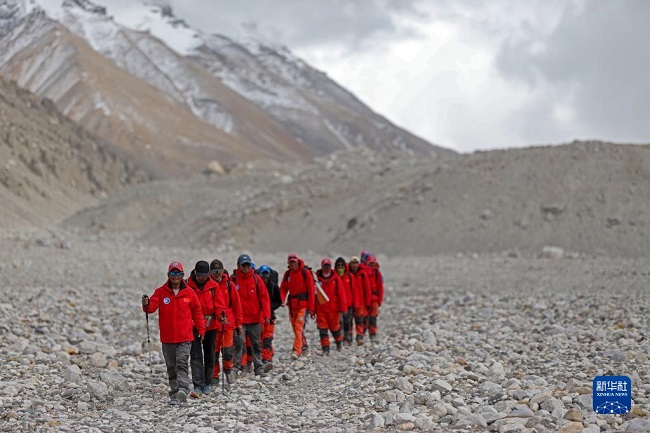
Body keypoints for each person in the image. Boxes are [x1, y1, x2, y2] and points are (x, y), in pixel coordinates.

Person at [142, 261, 205, 405]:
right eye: (172, 273)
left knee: (182, 362)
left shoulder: (189, 292)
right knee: (171, 366)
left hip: (185, 337)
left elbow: (197, 312)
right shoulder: (160, 292)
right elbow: (151, 308)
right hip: (168, 338)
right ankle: (174, 394)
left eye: (178, 273)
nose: (175, 276)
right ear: (168, 275)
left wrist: (201, 329)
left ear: (182, 275)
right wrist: (146, 303)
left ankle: (183, 389)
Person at [186, 260, 224, 396]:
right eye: (199, 275)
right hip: (194, 325)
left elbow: (219, 305)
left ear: (208, 274)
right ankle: (198, 385)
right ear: (195, 273)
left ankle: (207, 383)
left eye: (204, 275)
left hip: (211, 325)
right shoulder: (187, 285)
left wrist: (221, 316)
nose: (201, 278)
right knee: (195, 355)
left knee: (210, 355)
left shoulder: (214, 286)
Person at [231, 254, 271, 377]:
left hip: (254, 319)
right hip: (240, 320)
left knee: (256, 344)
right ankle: (237, 368)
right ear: (238, 266)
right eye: (244, 265)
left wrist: (266, 315)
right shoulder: (233, 280)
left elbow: (264, 298)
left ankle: (258, 368)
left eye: (248, 264)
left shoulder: (256, 279)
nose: (246, 267)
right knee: (239, 344)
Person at [209, 259, 242, 386]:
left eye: (219, 271)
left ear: (223, 271)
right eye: (214, 271)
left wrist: (239, 323)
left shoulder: (230, 285)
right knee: (214, 352)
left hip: (228, 323)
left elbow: (237, 306)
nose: (217, 273)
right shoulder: (209, 285)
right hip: (213, 324)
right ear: (210, 272)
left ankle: (228, 371)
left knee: (228, 350)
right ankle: (214, 375)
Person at [280, 253, 315, 359]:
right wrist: (282, 300)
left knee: (298, 327)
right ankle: (304, 346)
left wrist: (312, 308)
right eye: (291, 262)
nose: (293, 264)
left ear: (297, 261)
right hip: (292, 305)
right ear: (288, 263)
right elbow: (283, 288)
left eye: (294, 262)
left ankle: (297, 350)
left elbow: (311, 291)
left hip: (303, 305)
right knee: (296, 328)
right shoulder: (288, 274)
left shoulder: (306, 273)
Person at [314, 258, 347, 354]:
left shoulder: (336, 279)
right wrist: (312, 309)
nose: (326, 268)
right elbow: (313, 295)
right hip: (321, 309)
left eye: (328, 266)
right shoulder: (316, 279)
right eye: (325, 266)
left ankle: (339, 343)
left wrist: (343, 308)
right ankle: (325, 349)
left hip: (333, 309)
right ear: (322, 266)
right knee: (322, 330)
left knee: (335, 329)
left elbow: (341, 294)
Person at [257, 264, 283, 369]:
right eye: (262, 277)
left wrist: (268, 308)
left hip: (270, 317)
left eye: (266, 277)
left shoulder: (274, 287)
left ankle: (266, 358)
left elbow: (278, 302)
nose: (264, 279)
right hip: (258, 316)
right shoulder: (256, 287)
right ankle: (264, 356)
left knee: (267, 337)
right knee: (259, 338)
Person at [348, 256, 371, 346]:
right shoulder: (348, 274)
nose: (354, 265)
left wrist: (368, 302)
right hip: (350, 301)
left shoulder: (362, 275)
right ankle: (349, 337)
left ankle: (359, 336)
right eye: (353, 263)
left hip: (361, 302)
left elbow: (367, 289)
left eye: (356, 263)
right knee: (348, 320)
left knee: (360, 320)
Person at [334, 257, 354, 345]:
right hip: (337, 304)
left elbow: (354, 290)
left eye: (342, 265)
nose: (340, 267)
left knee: (348, 321)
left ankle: (347, 337)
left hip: (349, 303)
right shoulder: (333, 277)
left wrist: (355, 303)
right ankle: (341, 338)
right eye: (338, 265)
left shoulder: (349, 276)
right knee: (339, 322)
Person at [364, 255, 384, 341]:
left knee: (373, 317)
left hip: (374, 299)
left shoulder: (377, 273)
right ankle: (361, 335)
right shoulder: (363, 273)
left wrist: (379, 301)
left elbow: (380, 288)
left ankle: (372, 334)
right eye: (370, 263)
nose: (371, 265)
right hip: (364, 299)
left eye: (373, 263)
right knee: (363, 317)